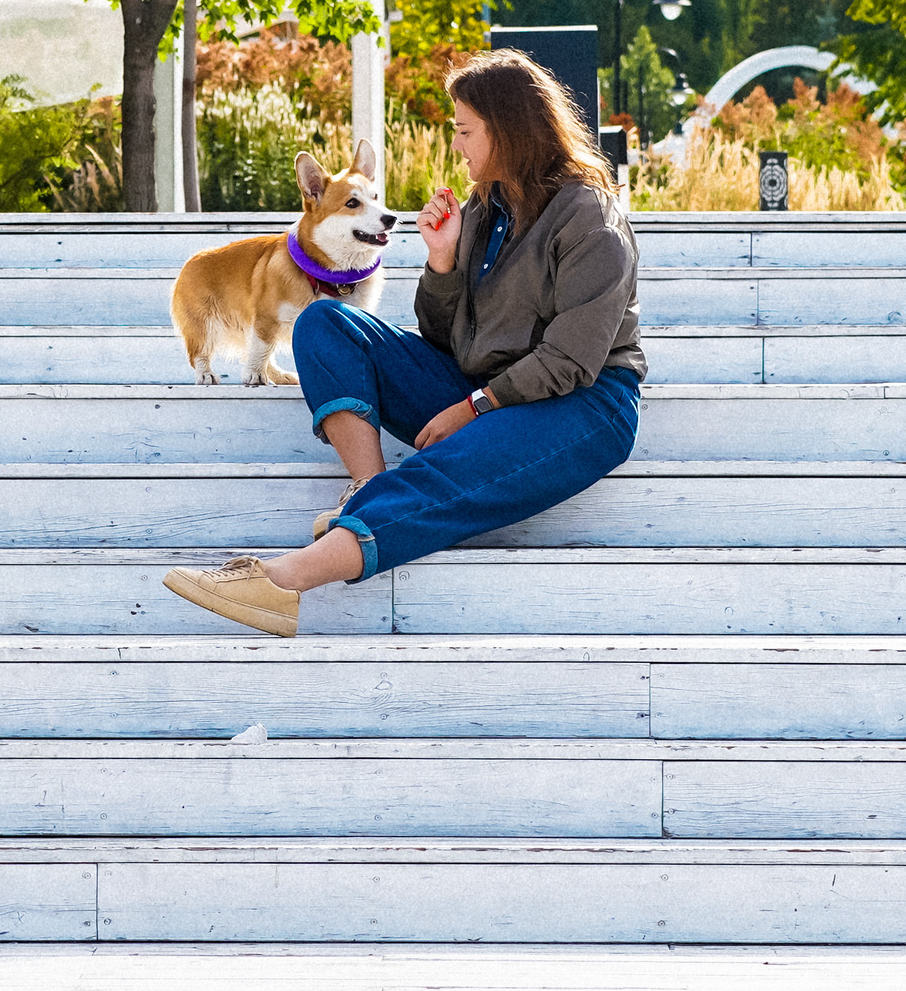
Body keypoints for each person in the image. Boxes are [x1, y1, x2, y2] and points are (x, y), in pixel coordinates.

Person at [163, 48, 644, 636]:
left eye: (465, 130)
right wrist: (442, 262)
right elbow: (443, 340)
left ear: (509, 130)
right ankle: (368, 488)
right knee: (325, 322)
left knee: (450, 468)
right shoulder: (484, 208)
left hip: (581, 403)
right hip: (480, 385)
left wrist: (474, 408)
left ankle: (281, 582)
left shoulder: (588, 215)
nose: (457, 145)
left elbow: (571, 359)